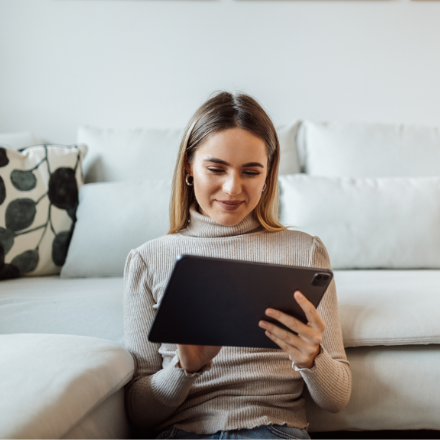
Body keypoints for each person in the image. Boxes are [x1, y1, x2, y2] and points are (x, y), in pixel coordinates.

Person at [123, 91, 352, 440]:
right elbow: (139, 412)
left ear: (268, 175)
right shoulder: (148, 259)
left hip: (273, 430)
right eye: (216, 169)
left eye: (250, 171)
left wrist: (312, 359)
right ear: (188, 166)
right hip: (183, 432)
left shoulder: (305, 251)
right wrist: (185, 369)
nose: (232, 188)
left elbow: (337, 399)